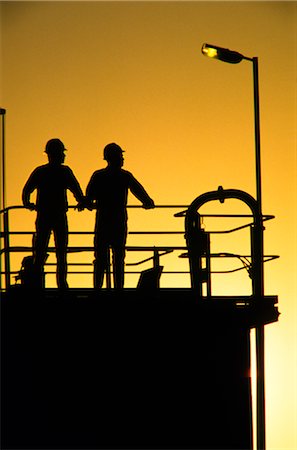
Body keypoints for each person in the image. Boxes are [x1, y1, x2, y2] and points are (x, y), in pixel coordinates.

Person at [86, 143, 155, 289]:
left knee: (100, 259)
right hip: (118, 222)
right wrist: (147, 202)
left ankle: (97, 289)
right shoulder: (124, 176)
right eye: (120, 155)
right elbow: (139, 192)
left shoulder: (99, 176)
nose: (123, 158)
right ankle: (118, 289)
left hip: (103, 222)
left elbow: (88, 198)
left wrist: (88, 204)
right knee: (118, 258)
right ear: (115, 157)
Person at [22, 138, 85, 289]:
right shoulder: (64, 172)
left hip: (44, 215)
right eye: (62, 152)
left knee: (40, 251)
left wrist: (28, 204)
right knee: (61, 252)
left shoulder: (41, 172)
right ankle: (61, 284)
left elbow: (26, 191)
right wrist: (82, 202)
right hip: (58, 216)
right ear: (57, 154)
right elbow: (77, 191)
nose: (64, 156)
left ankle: (37, 284)